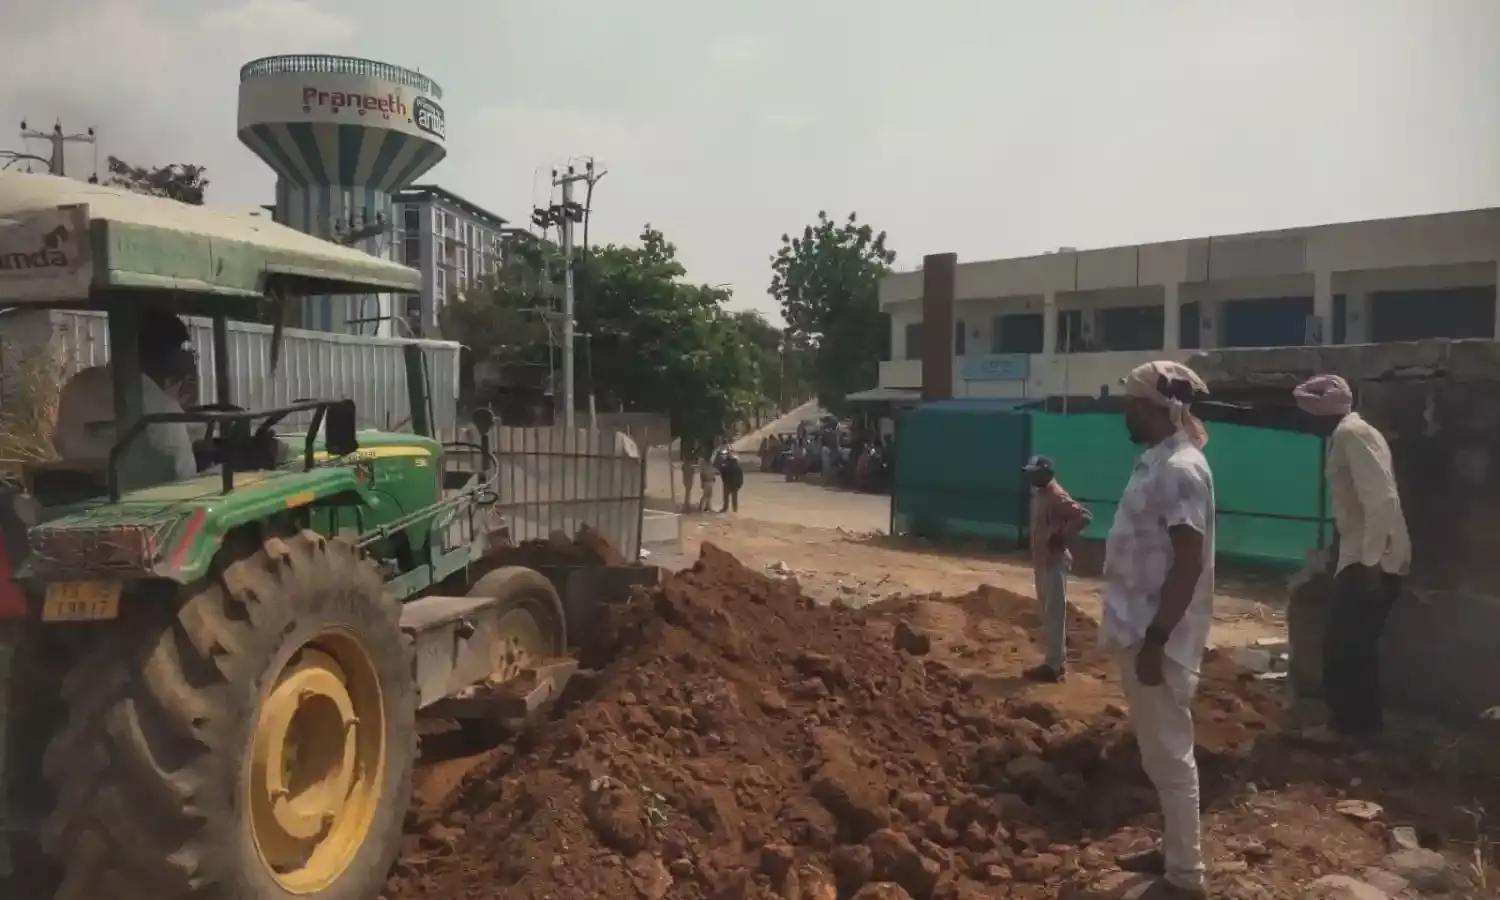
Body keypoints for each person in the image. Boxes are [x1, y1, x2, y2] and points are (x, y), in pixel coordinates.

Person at [1102, 360, 1216, 900]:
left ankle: (1186, 877)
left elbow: (1188, 562)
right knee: (1156, 753)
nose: (1124, 412)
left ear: (1158, 407)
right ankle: (1173, 851)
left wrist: (1157, 638)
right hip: (1139, 628)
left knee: (1171, 756)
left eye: (1131, 404)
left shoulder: (1181, 470)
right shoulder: (1156, 462)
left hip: (1158, 637)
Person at [1292, 373, 1410, 744]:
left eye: (1306, 415)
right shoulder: (1346, 435)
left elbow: (1382, 500)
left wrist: (1370, 564)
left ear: (1319, 413)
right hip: (1361, 556)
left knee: (1344, 647)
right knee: (1353, 646)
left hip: (1372, 561)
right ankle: (1361, 729)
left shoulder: (1351, 435)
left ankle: (1347, 729)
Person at [53, 309, 199, 492]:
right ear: (168, 358)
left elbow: (59, 442)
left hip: (71, 497)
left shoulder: (77, 385)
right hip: (146, 508)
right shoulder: (163, 409)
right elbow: (184, 475)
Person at [1022, 454, 1092, 683]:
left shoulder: (1056, 495)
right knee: (1048, 614)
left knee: (1054, 615)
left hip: (1054, 562)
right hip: (1043, 562)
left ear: (1046, 473)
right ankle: (1052, 661)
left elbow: (1083, 516)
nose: (1031, 477)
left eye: (1035, 473)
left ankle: (1054, 666)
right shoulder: (1041, 495)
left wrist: (1063, 535)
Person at [718, 446, 744, 512]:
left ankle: (726, 508)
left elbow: (722, 475)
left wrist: (725, 481)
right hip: (734, 484)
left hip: (728, 484)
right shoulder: (737, 467)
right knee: (734, 498)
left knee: (726, 497)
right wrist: (740, 484)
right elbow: (741, 477)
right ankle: (734, 509)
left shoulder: (726, 467)